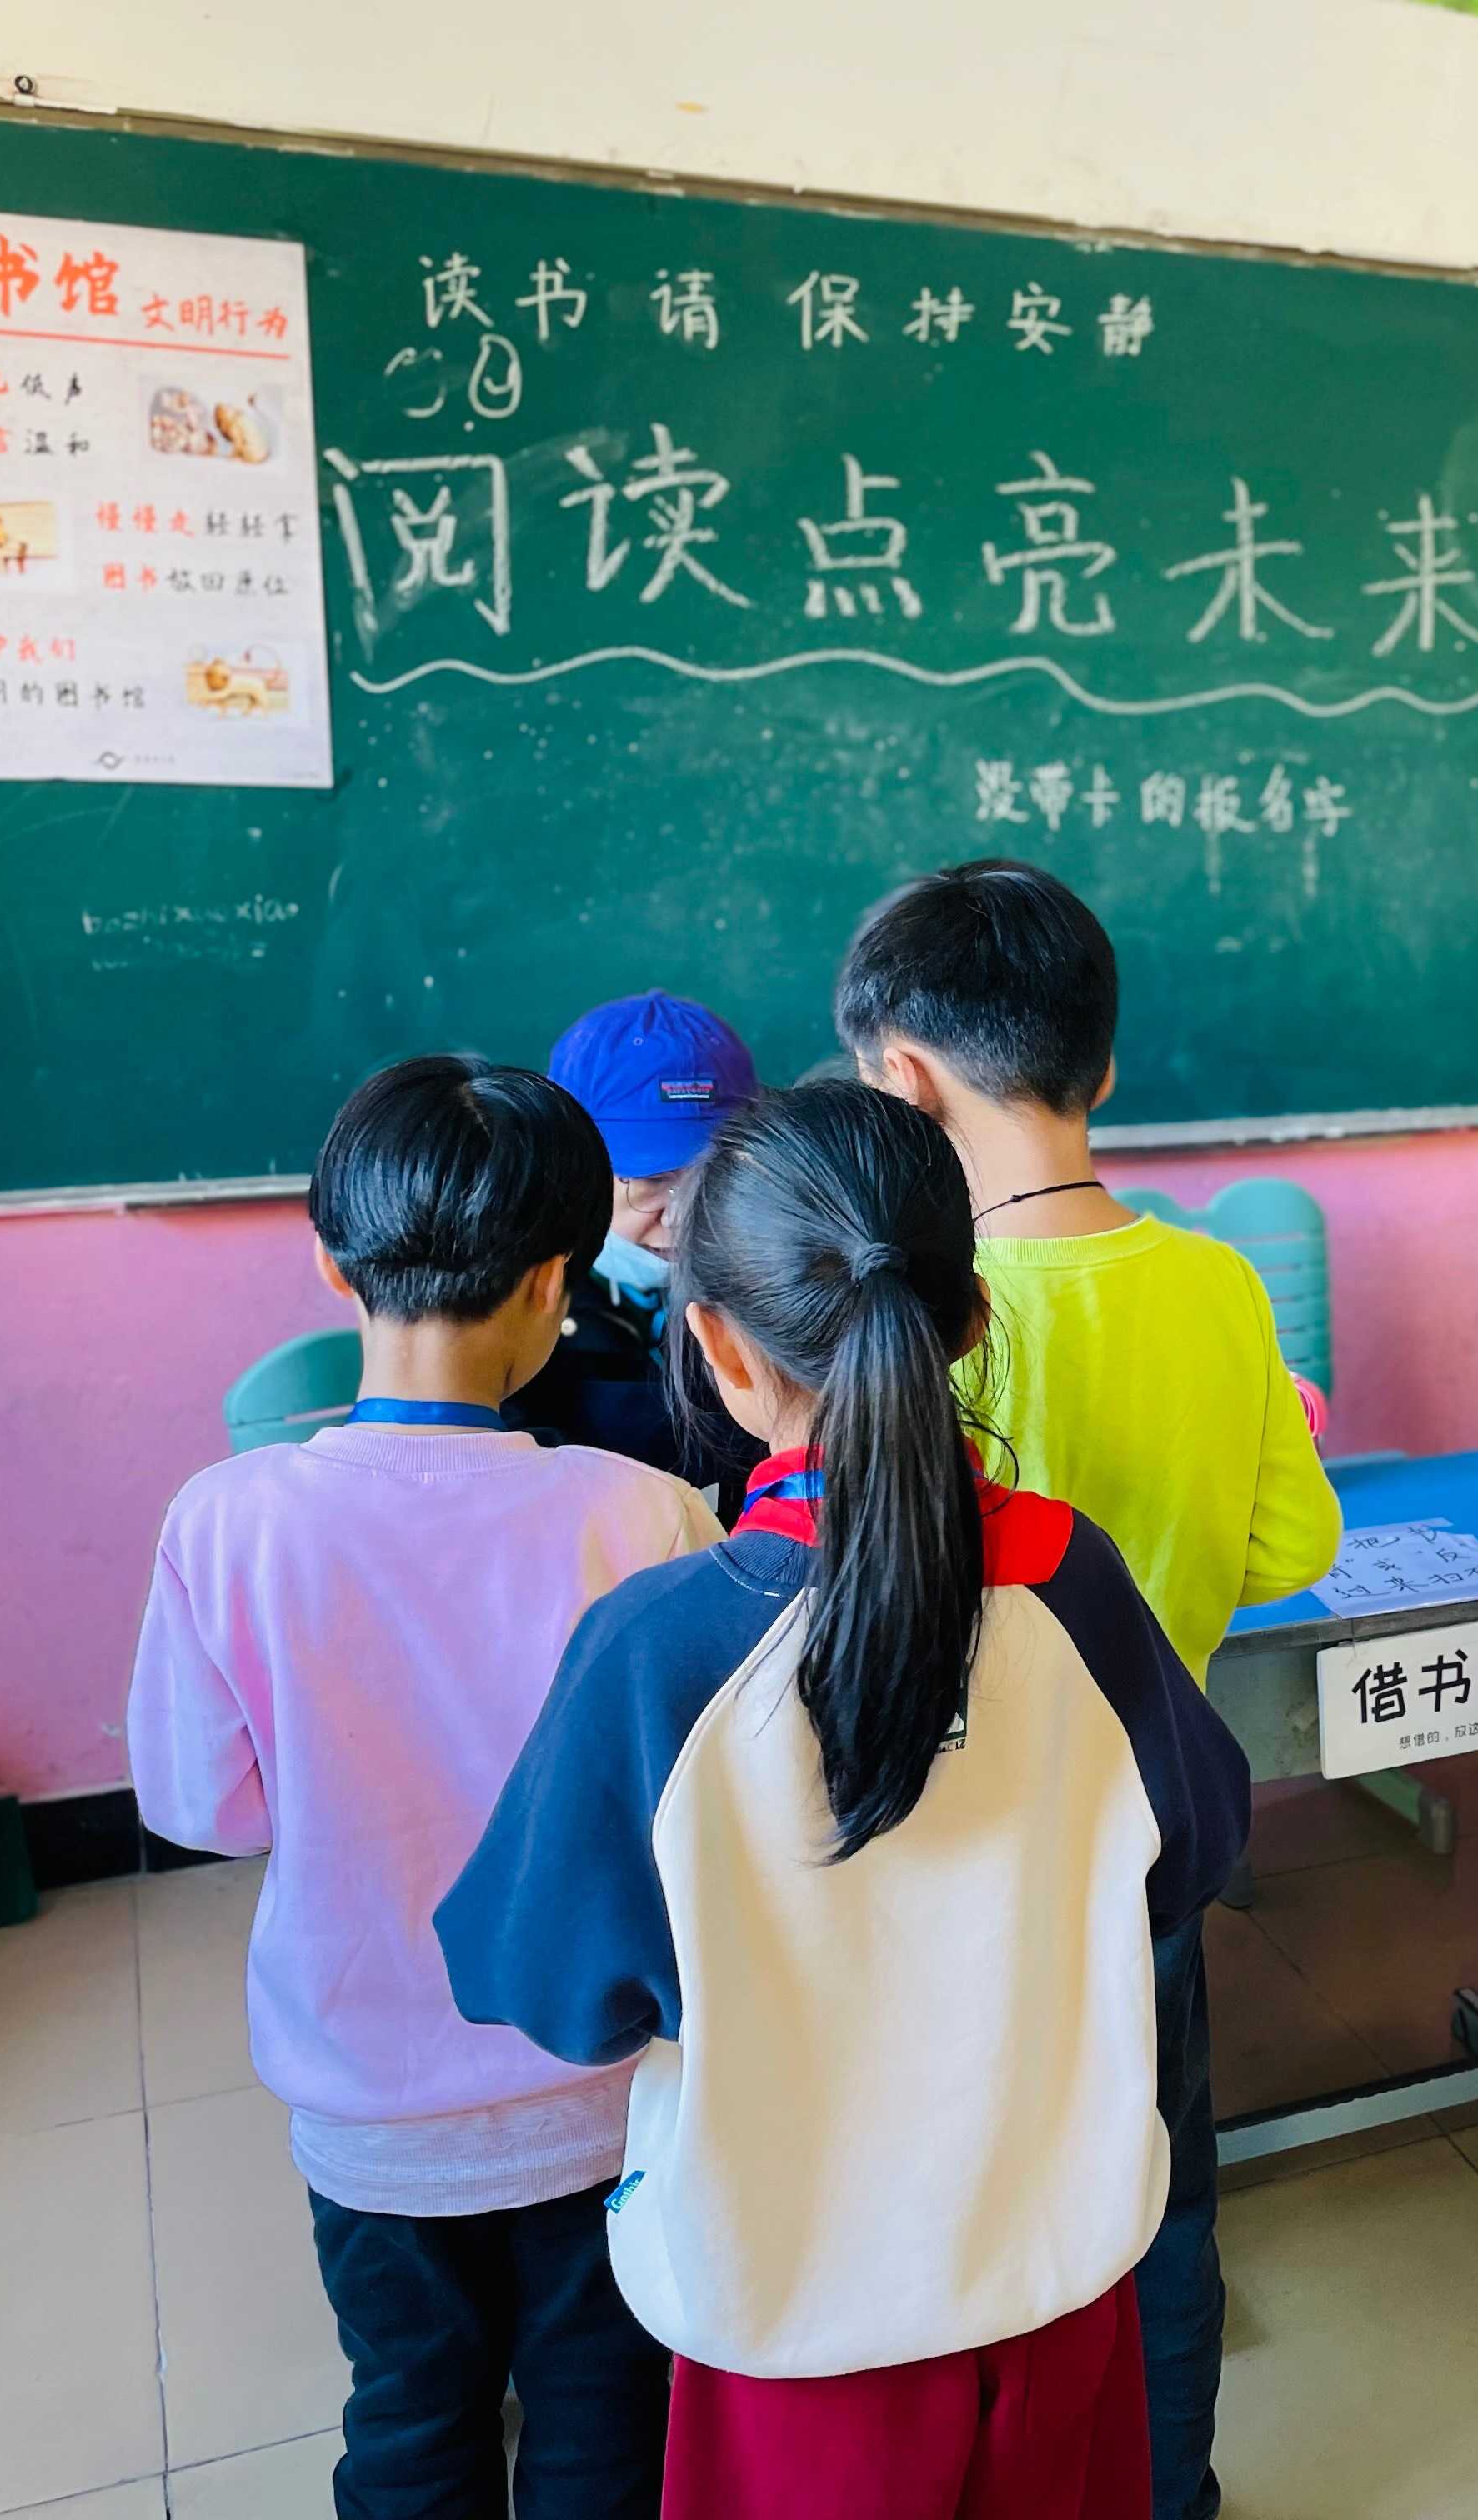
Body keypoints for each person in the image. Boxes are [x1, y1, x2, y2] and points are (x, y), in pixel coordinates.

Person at [440, 1080, 1250, 2520]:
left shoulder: (661, 1644)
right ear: (973, 1319)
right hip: (1053, 2285)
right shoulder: (1074, 1581)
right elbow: (1193, 1852)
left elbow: (550, 1985)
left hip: (795, 2325)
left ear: (717, 1348)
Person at [128, 1054, 721, 2520]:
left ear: (331, 1263)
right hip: (597, 2091)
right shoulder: (644, 1510)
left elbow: (201, 1809)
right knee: (603, 2419)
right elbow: (703, 1804)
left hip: (365, 2108)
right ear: (557, 1282)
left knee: (407, 2413)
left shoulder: (227, 1520)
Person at [834, 860, 1337, 2520]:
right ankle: (1167, 2490)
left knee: (967, 2207)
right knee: (1163, 2193)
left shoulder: (922, 1325)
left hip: (954, 1857)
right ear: (1103, 1066)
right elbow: (1292, 1541)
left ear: (904, 1078)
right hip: (1152, 1837)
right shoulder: (1219, 1283)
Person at [510, 988, 765, 1496]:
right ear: (573, 1170)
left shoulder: (783, 1298)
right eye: (651, 1180)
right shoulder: (513, 1322)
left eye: (711, 1176)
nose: (681, 1215)